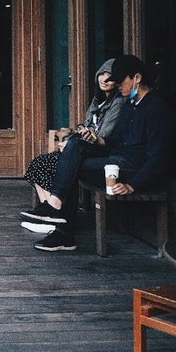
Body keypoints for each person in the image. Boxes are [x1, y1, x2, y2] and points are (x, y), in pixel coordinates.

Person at [24, 54, 172, 252]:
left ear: (136, 78)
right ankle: (56, 206)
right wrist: (96, 139)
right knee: (76, 143)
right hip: (116, 159)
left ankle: (63, 230)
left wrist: (132, 185)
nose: (117, 86)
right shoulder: (131, 104)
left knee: (70, 166)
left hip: (132, 168)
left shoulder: (155, 108)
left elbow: (157, 158)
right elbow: (114, 140)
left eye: (120, 81)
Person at [20, 59, 122, 231]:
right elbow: (85, 125)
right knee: (38, 164)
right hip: (84, 148)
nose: (104, 79)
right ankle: (49, 215)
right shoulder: (97, 101)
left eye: (110, 77)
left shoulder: (117, 103)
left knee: (57, 164)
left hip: (99, 151)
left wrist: (79, 139)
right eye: (102, 74)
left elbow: (104, 135)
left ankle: (56, 216)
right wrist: (74, 137)